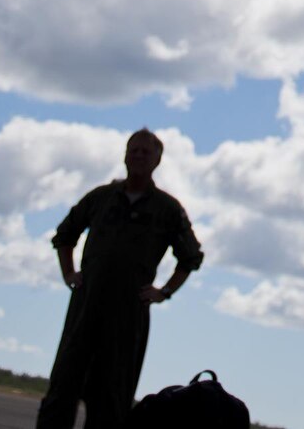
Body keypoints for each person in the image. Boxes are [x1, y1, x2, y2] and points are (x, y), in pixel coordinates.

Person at [37, 129, 204, 429]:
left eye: (146, 152)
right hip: (86, 306)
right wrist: (69, 274)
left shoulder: (167, 209)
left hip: (128, 314)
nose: (139, 155)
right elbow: (65, 235)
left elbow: (191, 257)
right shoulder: (101, 198)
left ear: (157, 160)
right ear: (125, 155)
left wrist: (163, 291)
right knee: (63, 388)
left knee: (111, 398)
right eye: (134, 150)